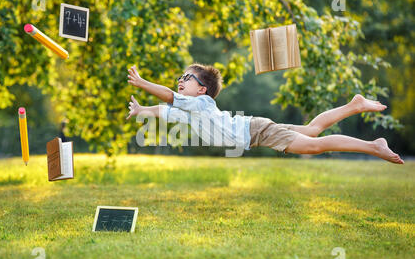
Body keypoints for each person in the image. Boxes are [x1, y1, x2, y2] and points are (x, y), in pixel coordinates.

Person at [126, 63, 404, 164]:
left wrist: (143, 83)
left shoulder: (199, 104)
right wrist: (141, 110)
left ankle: (373, 146)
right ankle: (353, 106)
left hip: (256, 131)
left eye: (187, 77)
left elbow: (167, 96)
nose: (180, 80)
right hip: (255, 129)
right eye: (180, 77)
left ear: (202, 90)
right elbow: (166, 109)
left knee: (314, 145)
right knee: (312, 130)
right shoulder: (192, 110)